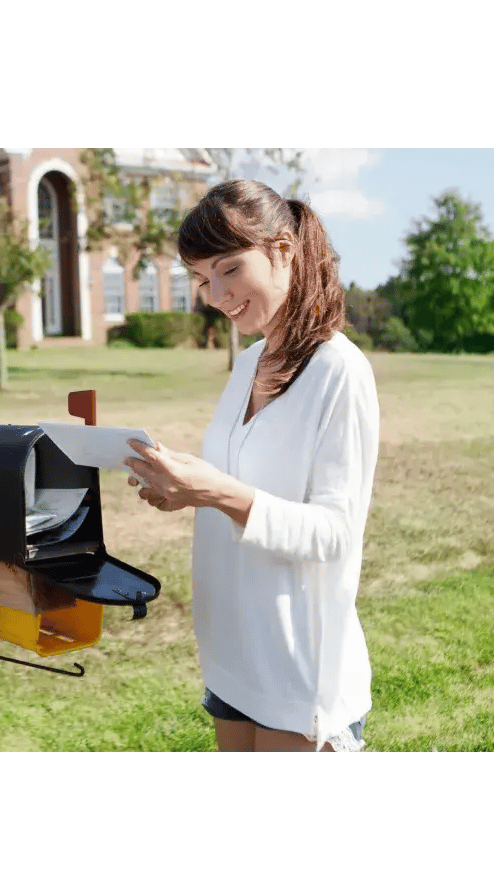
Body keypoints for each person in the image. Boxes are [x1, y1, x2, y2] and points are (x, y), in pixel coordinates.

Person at [124, 179, 380, 752]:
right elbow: (237, 485)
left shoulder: (340, 371)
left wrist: (215, 491)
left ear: (282, 251)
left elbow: (336, 534)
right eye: (201, 278)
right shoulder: (247, 365)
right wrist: (180, 489)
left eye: (229, 269)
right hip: (232, 652)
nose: (215, 294)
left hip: (298, 662)